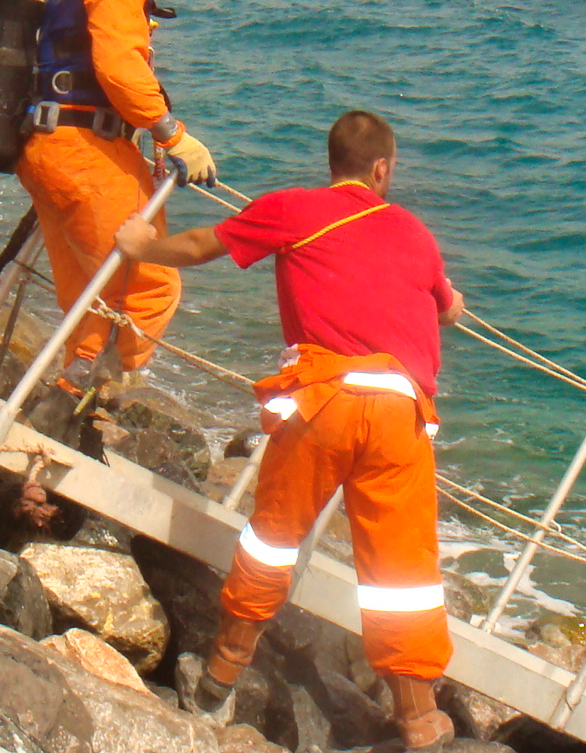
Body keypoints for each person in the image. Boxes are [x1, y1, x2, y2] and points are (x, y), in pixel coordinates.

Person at [115, 110, 465, 753]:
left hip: (323, 401)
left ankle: (218, 680)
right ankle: (418, 719)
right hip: (400, 410)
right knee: (402, 571)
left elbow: (199, 247)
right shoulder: (414, 233)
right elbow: (450, 306)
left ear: (331, 163)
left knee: (273, 538)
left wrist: (140, 246)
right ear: (383, 170)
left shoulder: (292, 209)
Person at [15, 0, 225, 395]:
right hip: (83, 147)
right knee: (149, 285)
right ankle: (87, 400)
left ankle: (58, 422)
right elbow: (117, 65)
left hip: (44, 142)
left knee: (91, 294)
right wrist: (172, 134)